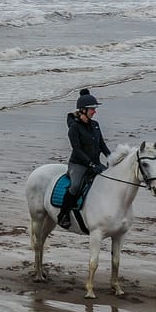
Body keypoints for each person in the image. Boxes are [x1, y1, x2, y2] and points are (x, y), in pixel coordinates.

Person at [61, 88, 108, 228]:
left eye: (94, 108)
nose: (95, 111)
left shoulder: (95, 125)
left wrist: (112, 158)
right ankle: (63, 214)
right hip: (78, 165)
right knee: (75, 186)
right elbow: (77, 149)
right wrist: (90, 164)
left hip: (95, 163)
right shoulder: (74, 127)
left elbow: (102, 144)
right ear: (83, 110)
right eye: (92, 109)